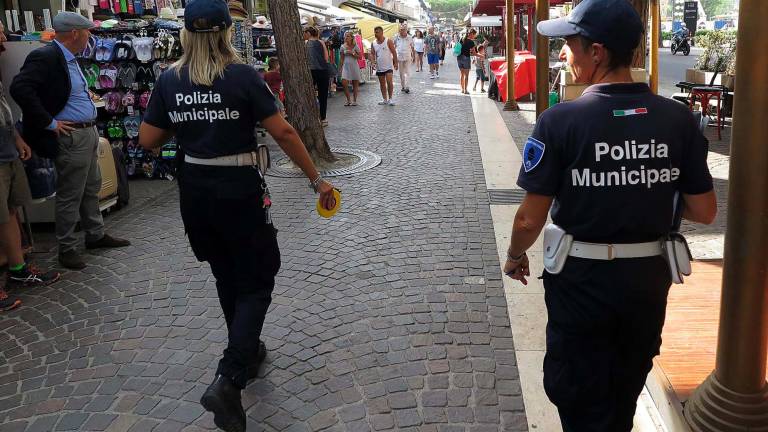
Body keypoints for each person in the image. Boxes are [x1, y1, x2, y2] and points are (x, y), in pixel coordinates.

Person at [501, 0, 717, 430]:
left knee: (577, 391)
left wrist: (514, 254)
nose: (564, 52)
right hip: (647, 284)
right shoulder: (679, 120)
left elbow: (529, 219)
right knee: (624, 390)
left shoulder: (559, 121)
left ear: (596, 52)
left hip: (581, 283)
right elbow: (705, 211)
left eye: (569, 44)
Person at [138, 0, 337, 430]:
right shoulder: (243, 75)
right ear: (229, 32)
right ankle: (229, 378)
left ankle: (246, 346)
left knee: (226, 273)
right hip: (239, 188)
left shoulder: (169, 80)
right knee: (260, 274)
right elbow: (282, 130)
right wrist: (315, 179)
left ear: (187, 35)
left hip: (195, 190)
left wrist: (190, 120)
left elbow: (148, 138)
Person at [10, 12, 130, 270]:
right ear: (75, 33)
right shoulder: (45, 56)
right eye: (87, 31)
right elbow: (20, 88)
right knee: (71, 193)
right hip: (71, 135)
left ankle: (95, 234)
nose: (90, 36)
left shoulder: (68, 58)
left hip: (85, 132)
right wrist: (49, 122)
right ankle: (67, 247)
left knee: (91, 186)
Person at [0, 22, 61, 312]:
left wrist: (16, 137)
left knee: (11, 212)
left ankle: (18, 269)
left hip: (6, 151)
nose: (3, 35)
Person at [304, 27, 330, 126]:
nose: (304, 35)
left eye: (305, 33)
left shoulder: (305, 44)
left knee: (309, 95)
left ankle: (310, 117)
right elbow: (326, 58)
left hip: (311, 72)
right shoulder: (321, 42)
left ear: (308, 33)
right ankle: (323, 118)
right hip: (323, 71)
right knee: (323, 95)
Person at [370, 26, 398, 106]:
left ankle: (391, 99)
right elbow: (372, 53)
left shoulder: (388, 41)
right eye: (375, 32)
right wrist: (372, 62)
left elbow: (394, 52)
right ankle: (385, 99)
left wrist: (395, 63)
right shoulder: (374, 43)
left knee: (389, 82)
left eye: (377, 32)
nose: (375, 34)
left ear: (382, 32)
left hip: (388, 66)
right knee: (382, 84)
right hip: (379, 67)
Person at [339, 32, 362, 106]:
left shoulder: (355, 46)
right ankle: (348, 100)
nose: (346, 37)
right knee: (344, 82)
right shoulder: (342, 46)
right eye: (345, 36)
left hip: (354, 66)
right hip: (346, 66)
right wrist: (340, 68)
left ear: (352, 37)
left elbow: (360, 57)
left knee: (355, 83)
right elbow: (341, 58)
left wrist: (353, 53)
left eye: (348, 36)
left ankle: (354, 100)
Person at [393, 24, 415, 94]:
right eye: (401, 29)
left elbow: (412, 47)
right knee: (401, 73)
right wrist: (394, 58)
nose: (402, 31)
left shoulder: (409, 37)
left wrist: (413, 56)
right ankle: (403, 86)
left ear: (406, 30)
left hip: (408, 56)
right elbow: (393, 47)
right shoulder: (396, 37)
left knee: (408, 72)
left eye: (403, 29)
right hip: (399, 57)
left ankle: (407, 86)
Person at [457, 29, 477, 94]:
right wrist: (481, 56)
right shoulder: (471, 42)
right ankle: (465, 90)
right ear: (471, 34)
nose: (474, 37)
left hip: (459, 58)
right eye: (474, 35)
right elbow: (474, 53)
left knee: (462, 74)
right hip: (466, 58)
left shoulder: (461, 39)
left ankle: (462, 89)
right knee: (466, 75)